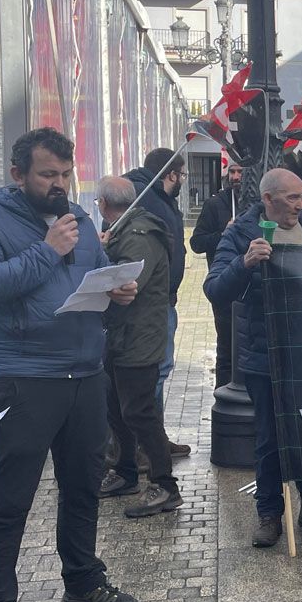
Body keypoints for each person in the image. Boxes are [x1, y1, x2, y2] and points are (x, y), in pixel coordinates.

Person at [0, 128, 141, 602]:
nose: (60, 185)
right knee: (10, 502)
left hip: (85, 375)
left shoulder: (80, 221)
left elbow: (86, 278)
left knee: (83, 488)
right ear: (18, 175)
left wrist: (116, 293)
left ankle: (82, 581)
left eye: (66, 175)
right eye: (48, 176)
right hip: (26, 378)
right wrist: (45, 251)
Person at [205, 168, 302, 546]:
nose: (298, 204)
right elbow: (216, 290)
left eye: (301, 197)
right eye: (290, 198)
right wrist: (245, 263)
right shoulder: (240, 233)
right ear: (267, 199)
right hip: (264, 354)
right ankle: (269, 513)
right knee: (270, 439)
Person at [94, 177, 181, 519]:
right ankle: (125, 472)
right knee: (116, 406)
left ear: (102, 203)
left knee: (139, 412)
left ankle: (165, 485)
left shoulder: (138, 233)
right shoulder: (123, 227)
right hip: (118, 334)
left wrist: (99, 253)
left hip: (139, 336)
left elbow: (128, 281)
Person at [123, 149, 189, 455]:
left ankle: (154, 440)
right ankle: (147, 446)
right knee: (154, 373)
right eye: (182, 175)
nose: (182, 182)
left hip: (161, 300)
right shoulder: (147, 199)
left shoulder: (155, 199)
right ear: (171, 175)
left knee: (157, 371)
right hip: (151, 304)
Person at [190, 162, 243, 387]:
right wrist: (223, 234)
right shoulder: (215, 204)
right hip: (224, 285)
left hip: (252, 286)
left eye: (240, 172)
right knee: (227, 348)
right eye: (232, 171)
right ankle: (223, 396)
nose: (235, 177)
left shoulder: (260, 205)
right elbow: (197, 242)